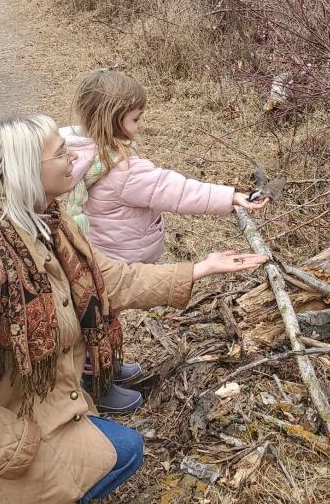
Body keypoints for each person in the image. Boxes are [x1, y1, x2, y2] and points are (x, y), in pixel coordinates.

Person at [0, 115, 267, 504]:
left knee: (118, 447)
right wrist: (15, 450)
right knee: (126, 451)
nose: (73, 158)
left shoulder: (48, 224)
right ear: (26, 170)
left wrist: (201, 268)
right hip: (4, 426)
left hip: (30, 400)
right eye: (61, 153)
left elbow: (110, 279)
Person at [61, 69, 268, 412]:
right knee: (98, 325)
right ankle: (96, 384)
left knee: (100, 320)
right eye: (136, 118)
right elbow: (178, 191)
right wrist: (230, 197)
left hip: (97, 254)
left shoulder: (80, 151)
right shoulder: (125, 171)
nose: (140, 125)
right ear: (114, 120)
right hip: (118, 262)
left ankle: (107, 368)